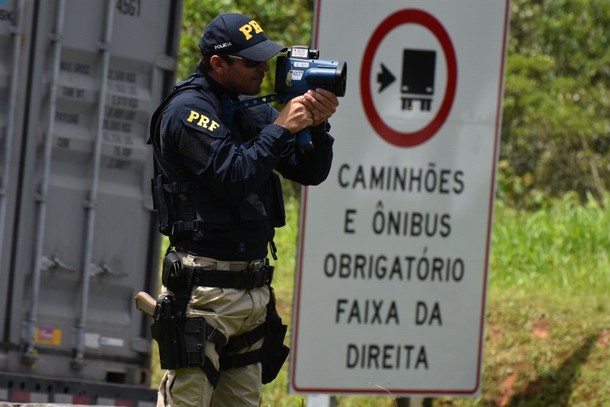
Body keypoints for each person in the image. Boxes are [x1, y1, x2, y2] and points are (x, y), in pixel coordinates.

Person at [148, 12, 339, 407]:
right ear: (218, 63)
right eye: (252, 62)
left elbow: (311, 172)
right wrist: (282, 128)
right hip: (203, 293)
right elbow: (232, 177)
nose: (263, 69)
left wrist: (317, 127)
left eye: (266, 59)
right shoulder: (187, 111)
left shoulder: (250, 109)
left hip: (252, 293)